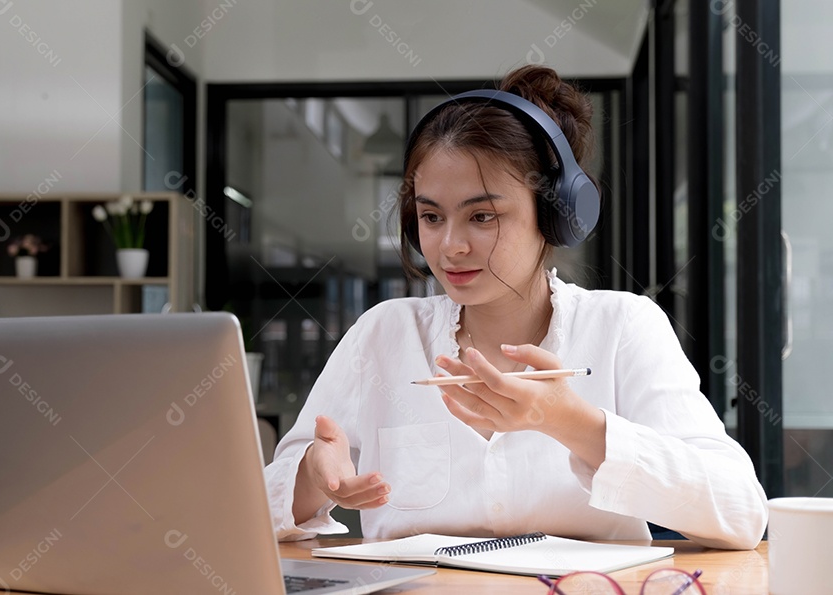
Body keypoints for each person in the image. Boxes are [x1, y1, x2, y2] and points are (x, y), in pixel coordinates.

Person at [263, 65, 768, 550]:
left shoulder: (622, 327)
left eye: (482, 216)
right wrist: (311, 475)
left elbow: (741, 512)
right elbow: (252, 511)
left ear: (554, 214)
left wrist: (570, 422)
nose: (450, 246)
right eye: (432, 216)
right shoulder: (383, 334)